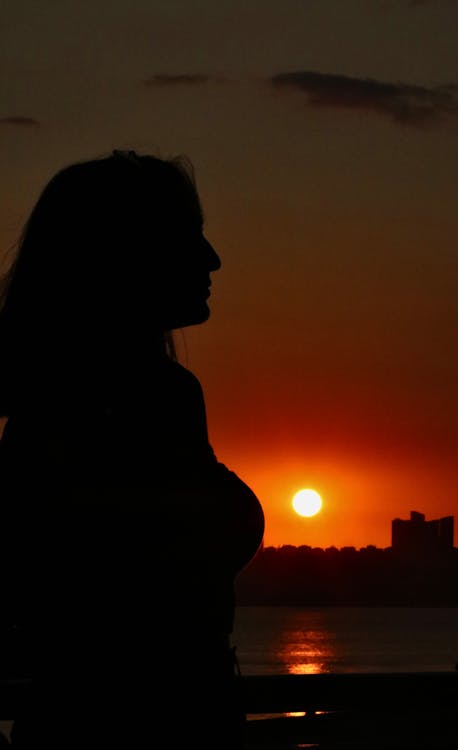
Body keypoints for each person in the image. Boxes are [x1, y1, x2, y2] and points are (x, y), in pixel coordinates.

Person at [0, 149, 265, 748]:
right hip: (140, 724)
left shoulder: (122, 398)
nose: (213, 259)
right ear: (125, 254)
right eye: (188, 237)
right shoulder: (113, 406)